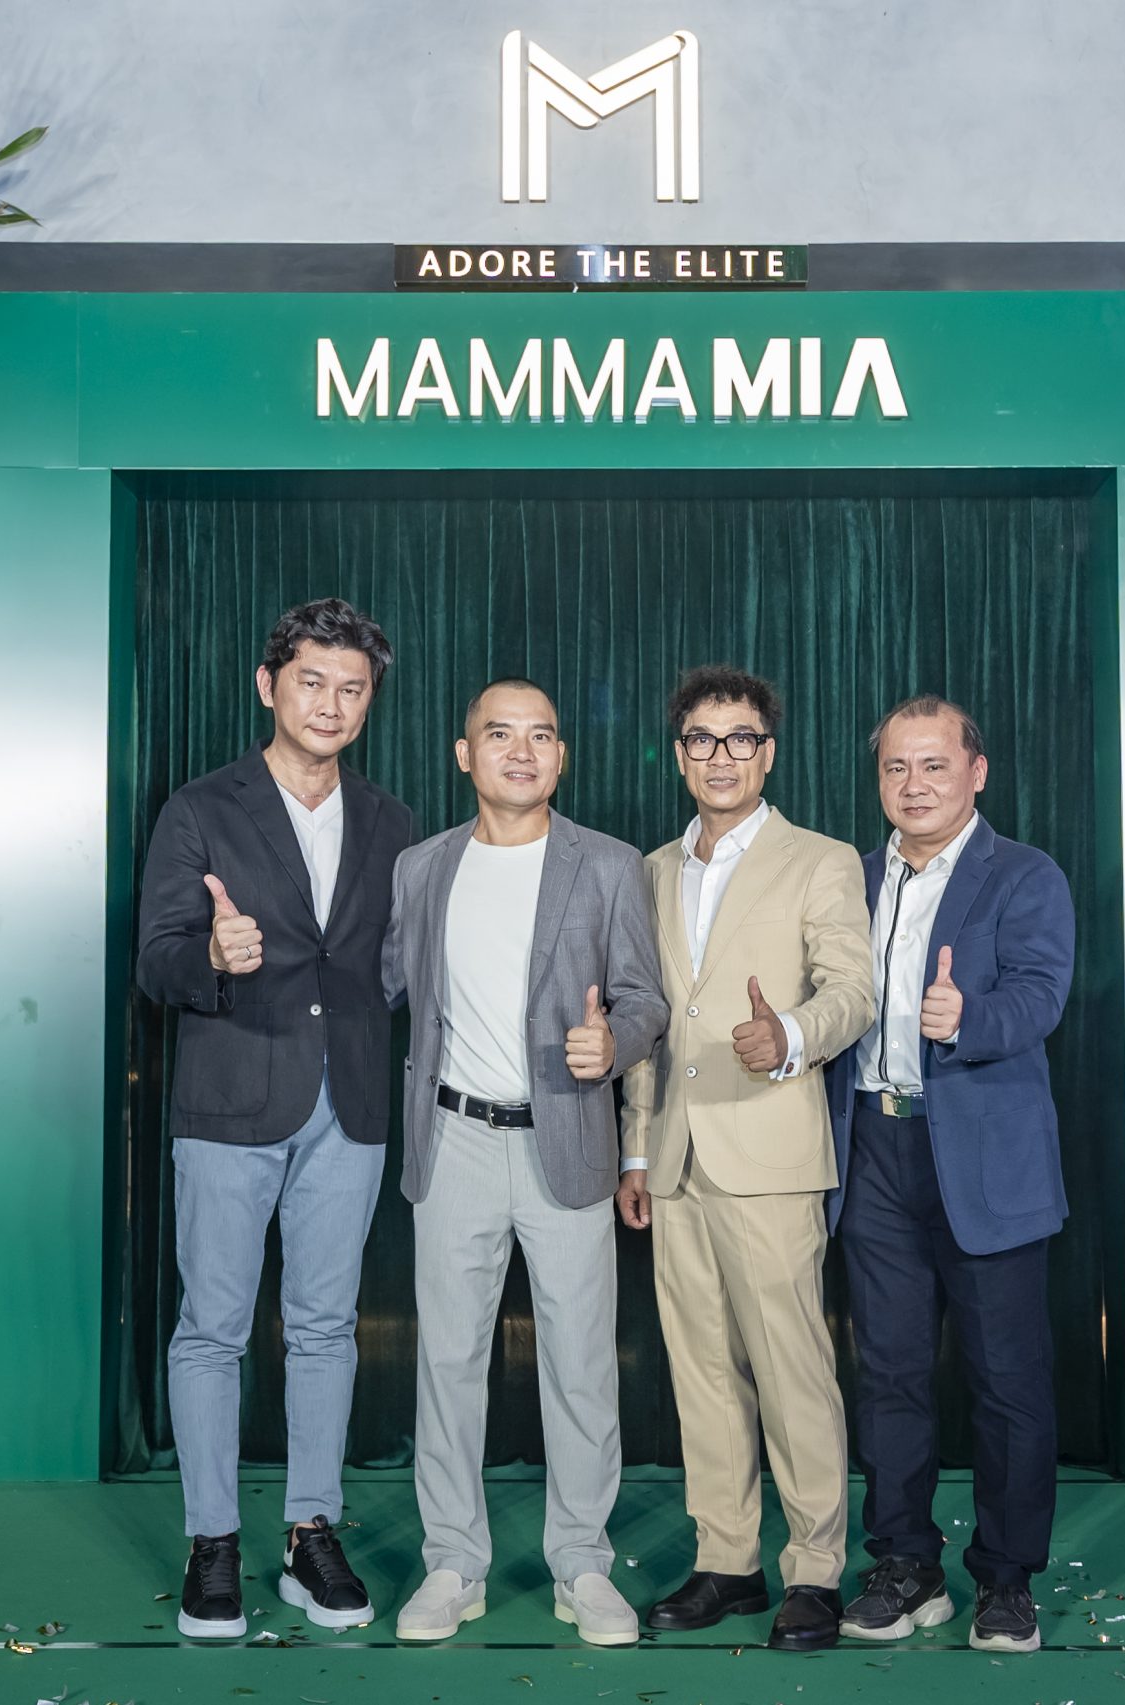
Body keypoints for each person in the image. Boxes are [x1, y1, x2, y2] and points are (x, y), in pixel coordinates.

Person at [133, 598, 414, 1640]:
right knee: (211, 1327)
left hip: (352, 1104)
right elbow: (155, 958)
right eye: (312, 681)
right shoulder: (201, 809)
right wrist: (210, 956)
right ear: (269, 685)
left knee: (326, 1327)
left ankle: (309, 1532)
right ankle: (212, 1543)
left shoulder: (391, 820)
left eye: (352, 687)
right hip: (228, 1101)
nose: (331, 703)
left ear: (369, 700)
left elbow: (393, 965)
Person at [380, 679, 668, 1648]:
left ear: (560, 756)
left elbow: (644, 999)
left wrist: (614, 1042)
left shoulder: (608, 864)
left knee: (581, 1364)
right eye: (499, 734)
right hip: (453, 1138)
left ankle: (582, 1563)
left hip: (567, 1139)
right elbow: (382, 983)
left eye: (541, 735)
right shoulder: (421, 867)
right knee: (447, 1362)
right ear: (465, 754)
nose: (521, 750)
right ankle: (452, 1562)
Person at [616, 665, 876, 1653]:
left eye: (740, 739)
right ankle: (727, 1559)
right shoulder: (649, 869)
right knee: (702, 1371)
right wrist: (636, 1149)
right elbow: (650, 1022)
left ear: (767, 753)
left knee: (792, 1369)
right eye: (700, 738)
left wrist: (792, 1035)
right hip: (676, 1158)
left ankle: (814, 1569)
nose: (719, 756)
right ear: (678, 753)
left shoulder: (820, 860)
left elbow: (852, 990)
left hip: (769, 1150)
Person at [823, 695, 1073, 1655]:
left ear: (976, 772)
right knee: (888, 1371)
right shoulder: (849, 877)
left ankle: (1007, 1579)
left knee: (1007, 1380)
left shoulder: (1025, 874)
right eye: (896, 767)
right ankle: (905, 1563)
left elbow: (1043, 994)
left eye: (934, 764)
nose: (914, 784)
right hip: (873, 1150)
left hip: (984, 1161)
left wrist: (968, 1017)